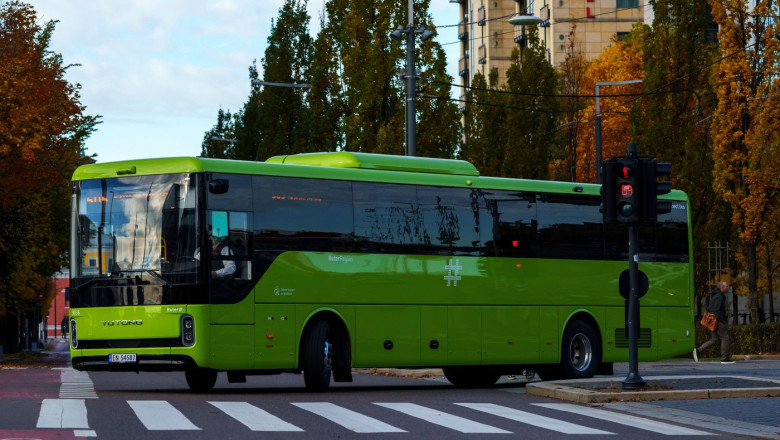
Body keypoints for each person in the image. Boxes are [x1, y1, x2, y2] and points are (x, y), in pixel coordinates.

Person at [693, 280, 733, 363]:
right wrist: (723, 319)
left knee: (714, 339)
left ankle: (698, 350)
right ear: (722, 287)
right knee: (725, 337)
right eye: (726, 286)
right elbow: (716, 310)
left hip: (713, 321)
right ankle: (724, 358)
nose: (728, 288)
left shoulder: (715, 295)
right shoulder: (719, 296)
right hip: (718, 321)